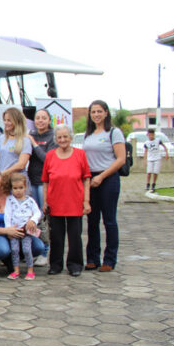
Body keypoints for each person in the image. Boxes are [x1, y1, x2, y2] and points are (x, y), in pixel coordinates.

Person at [0, 167, 46, 275]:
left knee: (38, 247)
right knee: (2, 249)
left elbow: (29, 208)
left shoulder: (12, 193)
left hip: (18, 231)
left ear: (1, 178)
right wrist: (6, 231)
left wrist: (31, 221)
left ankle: (10, 260)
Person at [41, 124, 91, 277]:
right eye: (59, 137)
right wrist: (45, 201)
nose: (62, 140)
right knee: (56, 235)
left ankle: (75, 265)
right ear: (55, 139)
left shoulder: (80, 154)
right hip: (55, 201)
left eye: (65, 137)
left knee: (75, 235)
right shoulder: (50, 155)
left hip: (74, 201)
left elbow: (86, 179)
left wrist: (86, 201)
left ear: (71, 137)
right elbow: (45, 181)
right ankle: (55, 264)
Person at [83, 99, 125, 272]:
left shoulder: (114, 132)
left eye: (99, 111)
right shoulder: (89, 134)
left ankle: (109, 259)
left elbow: (120, 159)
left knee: (109, 220)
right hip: (90, 179)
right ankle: (92, 258)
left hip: (108, 178)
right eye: (93, 112)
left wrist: (101, 176)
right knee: (92, 221)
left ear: (106, 112)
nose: (96, 115)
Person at [3, 173, 42, 280]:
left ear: (25, 187)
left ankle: (30, 270)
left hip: (26, 230)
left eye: (21, 188)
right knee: (14, 249)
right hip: (15, 230)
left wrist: (32, 220)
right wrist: (8, 229)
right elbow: (7, 214)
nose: (18, 191)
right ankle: (16, 270)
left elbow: (37, 212)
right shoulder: (9, 200)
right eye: (15, 188)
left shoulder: (30, 201)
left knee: (26, 249)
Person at [0, 107, 32, 179]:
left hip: (18, 180)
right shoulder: (1, 138)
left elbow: (21, 164)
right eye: (5, 120)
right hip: (3, 180)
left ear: (17, 121)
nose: (6, 123)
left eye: (9, 120)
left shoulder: (25, 140)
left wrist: (4, 173)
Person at [27, 109, 56, 208]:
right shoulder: (31, 134)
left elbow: (47, 159)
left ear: (49, 120)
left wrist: (33, 143)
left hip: (45, 180)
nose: (40, 120)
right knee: (34, 212)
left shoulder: (53, 136)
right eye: (37, 118)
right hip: (31, 178)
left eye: (44, 118)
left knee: (45, 210)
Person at [144, 128, 169, 192]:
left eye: (152, 135)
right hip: (150, 159)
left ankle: (153, 184)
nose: (151, 136)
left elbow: (164, 146)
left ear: (154, 135)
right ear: (147, 135)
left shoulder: (158, 140)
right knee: (149, 172)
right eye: (149, 135)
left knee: (155, 172)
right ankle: (147, 184)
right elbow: (145, 152)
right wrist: (145, 160)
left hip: (157, 158)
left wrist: (166, 153)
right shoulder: (146, 143)